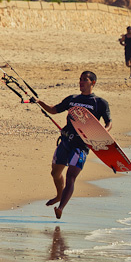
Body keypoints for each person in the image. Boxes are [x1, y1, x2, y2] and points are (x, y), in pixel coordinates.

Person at [31, 71, 112, 219]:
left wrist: (103, 133)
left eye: (85, 80)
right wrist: (39, 102)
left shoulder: (99, 103)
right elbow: (54, 110)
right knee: (55, 173)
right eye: (80, 80)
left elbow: (109, 123)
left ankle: (61, 207)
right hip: (66, 141)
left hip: (81, 147)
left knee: (71, 177)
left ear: (92, 83)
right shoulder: (72, 99)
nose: (81, 82)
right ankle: (58, 195)